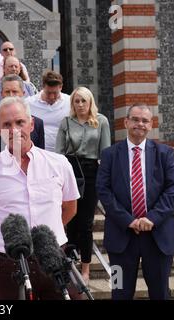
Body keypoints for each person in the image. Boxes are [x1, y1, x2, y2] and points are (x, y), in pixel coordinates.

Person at [0, 96, 81, 300]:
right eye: (7, 124)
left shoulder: (59, 163)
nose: (14, 129)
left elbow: (70, 208)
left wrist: (45, 234)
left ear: (31, 124)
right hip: (7, 262)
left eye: (20, 122)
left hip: (53, 255)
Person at [96, 103, 174, 300]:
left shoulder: (165, 153)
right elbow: (103, 191)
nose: (139, 124)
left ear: (151, 125)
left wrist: (152, 218)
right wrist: (128, 220)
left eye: (145, 120)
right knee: (119, 293)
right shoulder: (109, 155)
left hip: (158, 236)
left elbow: (173, 188)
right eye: (135, 119)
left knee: (161, 293)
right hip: (120, 237)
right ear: (126, 122)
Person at [55, 86, 111, 284]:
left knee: (86, 223)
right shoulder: (66, 122)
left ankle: (85, 269)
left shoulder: (101, 121)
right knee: (70, 219)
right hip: (70, 170)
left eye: (83, 101)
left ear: (90, 102)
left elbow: (105, 154)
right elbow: (59, 153)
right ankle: (69, 265)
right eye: (76, 101)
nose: (80, 105)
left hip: (91, 173)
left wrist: (105, 182)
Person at [0, 74, 44, 161]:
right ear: (1, 94)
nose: (11, 95)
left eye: (15, 91)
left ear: (23, 93)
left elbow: (40, 157)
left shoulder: (37, 124)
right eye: (7, 92)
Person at [26, 70, 70, 152]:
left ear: (61, 87)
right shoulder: (29, 103)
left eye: (55, 93)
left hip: (64, 152)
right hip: (37, 152)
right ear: (43, 87)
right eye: (48, 93)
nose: (52, 97)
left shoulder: (70, 102)